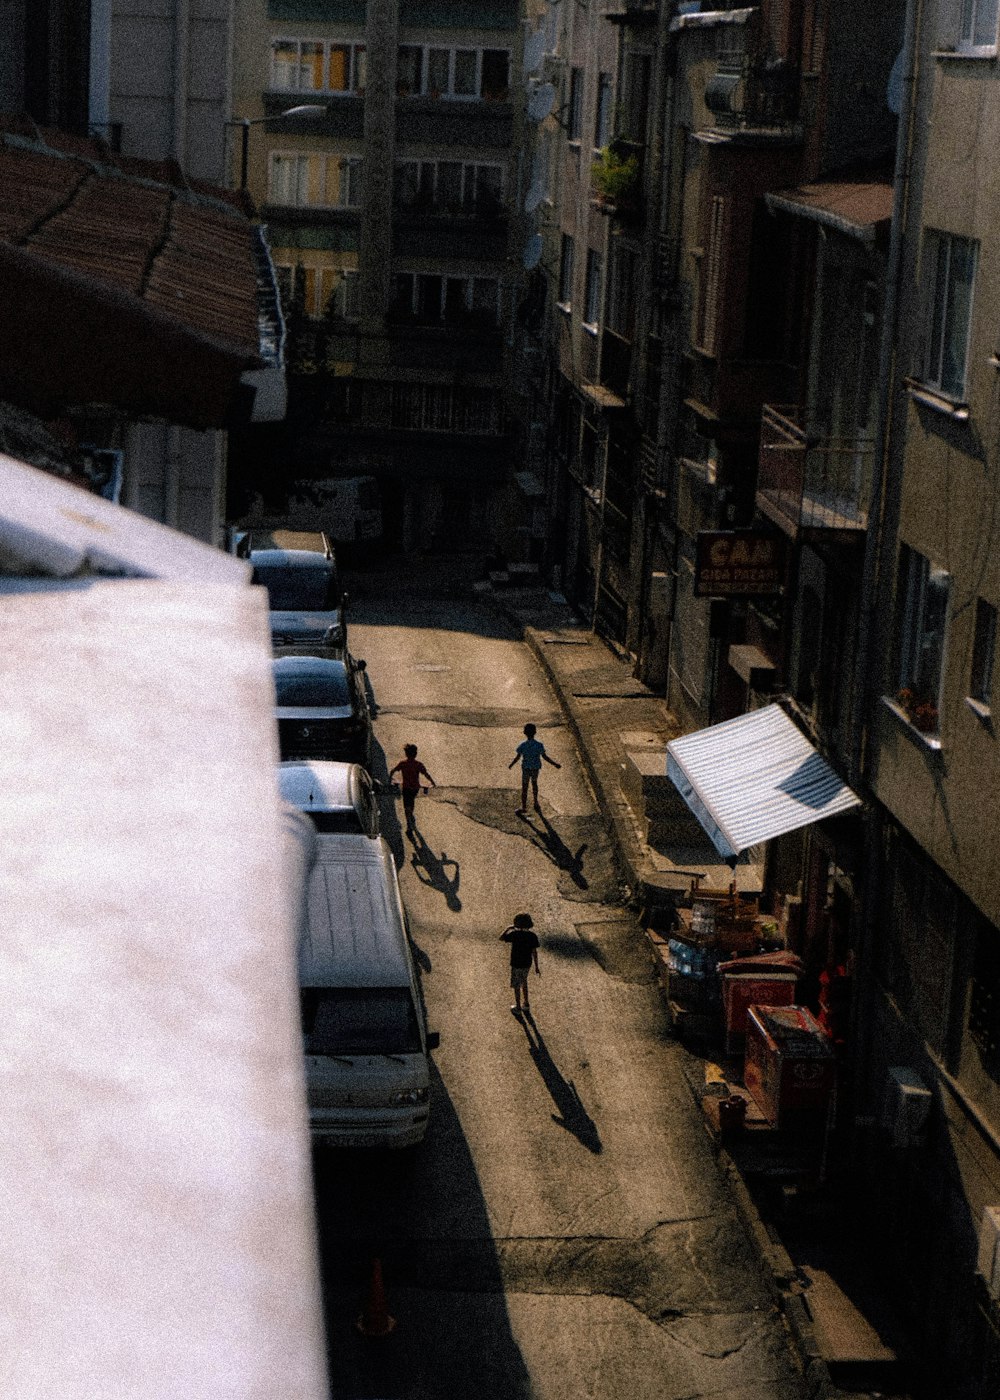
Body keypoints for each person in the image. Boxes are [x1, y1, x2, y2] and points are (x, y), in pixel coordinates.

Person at [508, 722, 561, 815]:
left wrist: (511, 764)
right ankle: (536, 802)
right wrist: (555, 764)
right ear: (535, 732)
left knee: (525, 787)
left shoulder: (523, 745)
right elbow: (545, 757)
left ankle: (524, 807)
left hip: (526, 769)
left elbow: (517, 757)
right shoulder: (539, 745)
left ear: (524, 733)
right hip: (535, 768)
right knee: (534, 784)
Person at [389, 743, 436, 833]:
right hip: (415, 788)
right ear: (415, 754)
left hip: (406, 788)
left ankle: (409, 825)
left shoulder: (403, 764)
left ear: (406, 754)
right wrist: (433, 783)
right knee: (412, 801)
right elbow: (426, 774)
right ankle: (411, 814)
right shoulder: (418, 765)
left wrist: (389, 780)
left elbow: (392, 771)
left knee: (406, 806)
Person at [500, 913, 540, 1016]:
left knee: (516, 985)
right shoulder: (532, 936)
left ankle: (518, 1007)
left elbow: (501, 938)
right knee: (524, 981)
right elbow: (534, 952)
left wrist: (508, 928)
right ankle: (526, 1003)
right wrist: (536, 967)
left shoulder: (514, 934)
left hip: (516, 963)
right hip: (527, 963)